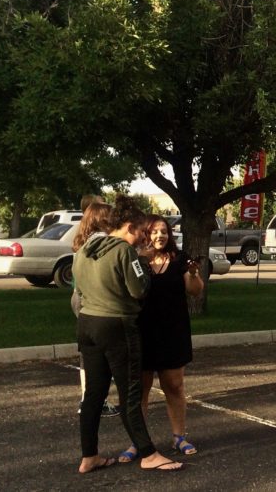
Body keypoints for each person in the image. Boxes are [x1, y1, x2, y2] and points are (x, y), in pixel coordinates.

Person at [73, 196, 182, 473]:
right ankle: (148, 454)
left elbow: (80, 290)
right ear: (130, 227)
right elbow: (139, 290)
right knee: (130, 393)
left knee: (94, 394)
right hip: (116, 326)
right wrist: (143, 263)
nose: (144, 238)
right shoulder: (125, 252)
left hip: (87, 324)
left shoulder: (85, 248)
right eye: (142, 232)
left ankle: (89, 456)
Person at [118, 215, 203, 462]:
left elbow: (195, 291)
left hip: (172, 332)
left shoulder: (180, 259)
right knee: (140, 391)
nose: (159, 236)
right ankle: (138, 443)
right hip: (142, 332)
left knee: (174, 387)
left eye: (163, 231)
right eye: (154, 232)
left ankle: (179, 437)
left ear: (170, 234)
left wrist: (194, 274)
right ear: (146, 234)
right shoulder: (136, 258)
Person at [70, 201, 119, 418]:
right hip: (94, 299)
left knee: (87, 353)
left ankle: (87, 399)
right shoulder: (103, 244)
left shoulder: (82, 244)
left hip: (79, 297)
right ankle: (98, 399)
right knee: (105, 351)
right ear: (102, 220)